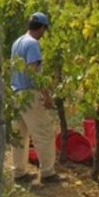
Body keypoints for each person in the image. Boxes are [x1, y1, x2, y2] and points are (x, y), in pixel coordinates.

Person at [10, 12, 63, 184]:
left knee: (19, 135)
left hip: (15, 93)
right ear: (42, 28)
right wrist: (46, 96)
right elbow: (34, 72)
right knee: (44, 132)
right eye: (44, 30)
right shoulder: (32, 44)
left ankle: (19, 172)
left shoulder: (17, 42)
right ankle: (48, 172)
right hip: (29, 93)